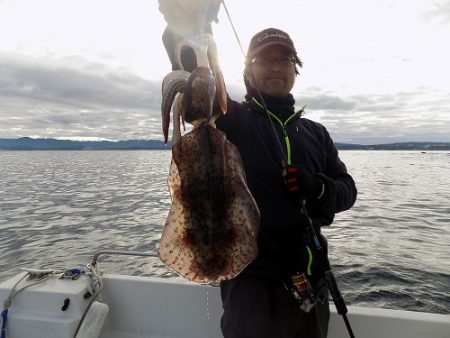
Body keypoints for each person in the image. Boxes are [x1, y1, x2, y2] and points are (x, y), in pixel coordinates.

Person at [163, 26, 357, 338]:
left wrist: (317, 187)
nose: (276, 67)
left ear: (295, 69)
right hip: (254, 289)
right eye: (265, 61)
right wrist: (187, 28)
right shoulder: (233, 120)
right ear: (248, 71)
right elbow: (198, 95)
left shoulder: (315, 133)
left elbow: (347, 190)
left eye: (284, 60)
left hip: (313, 283)